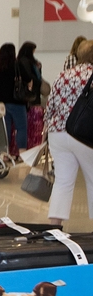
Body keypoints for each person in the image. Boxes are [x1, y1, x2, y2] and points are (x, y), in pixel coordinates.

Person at [45, 40, 93, 226]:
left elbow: (49, 107)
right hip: (84, 134)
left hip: (58, 133)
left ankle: (54, 226)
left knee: (63, 182)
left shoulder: (63, 75)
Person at [0, 43, 30, 153]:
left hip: (0, 103)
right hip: (16, 101)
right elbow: (27, 78)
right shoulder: (17, 64)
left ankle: (4, 153)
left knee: (4, 129)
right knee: (21, 128)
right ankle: (22, 152)